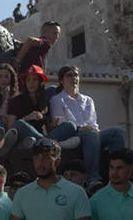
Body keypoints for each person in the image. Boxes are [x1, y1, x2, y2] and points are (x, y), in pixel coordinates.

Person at [50, 64, 127, 193]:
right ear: (62, 80)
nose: (73, 78)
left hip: (91, 134)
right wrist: (81, 128)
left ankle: (120, 171)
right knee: (91, 136)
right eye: (69, 75)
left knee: (117, 132)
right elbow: (62, 124)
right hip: (74, 135)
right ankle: (94, 178)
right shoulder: (57, 100)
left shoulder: (88, 100)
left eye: (76, 75)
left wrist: (91, 129)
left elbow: (93, 122)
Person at [6, 65, 79, 149]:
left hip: (38, 136)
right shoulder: (16, 100)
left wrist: (54, 125)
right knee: (19, 124)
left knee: (70, 125)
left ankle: (43, 142)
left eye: (35, 79)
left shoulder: (45, 101)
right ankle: (50, 143)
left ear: (40, 82)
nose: (31, 83)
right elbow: (10, 129)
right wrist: (26, 118)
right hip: (23, 138)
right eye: (28, 80)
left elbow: (49, 130)